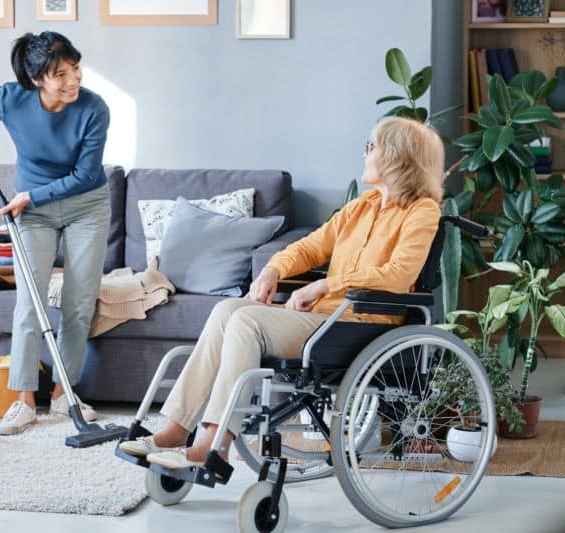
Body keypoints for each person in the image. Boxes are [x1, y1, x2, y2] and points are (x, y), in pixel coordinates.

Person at [120, 116, 445, 469]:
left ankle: (214, 443)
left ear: (396, 158)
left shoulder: (422, 211)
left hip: (361, 325)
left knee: (246, 322)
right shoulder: (359, 207)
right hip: (324, 320)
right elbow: (307, 248)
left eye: (373, 146)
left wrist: (326, 284)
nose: (365, 153)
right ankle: (176, 428)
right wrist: (273, 271)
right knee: (229, 309)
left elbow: (399, 276)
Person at [0, 31, 111, 436]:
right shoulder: (11, 99)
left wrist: (31, 196)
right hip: (33, 212)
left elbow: (85, 175)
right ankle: (23, 402)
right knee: (30, 303)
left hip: (86, 206)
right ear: (37, 78)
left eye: (75, 68)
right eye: (60, 74)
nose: (73, 79)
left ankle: (63, 394)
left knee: (78, 304)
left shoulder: (94, 109)